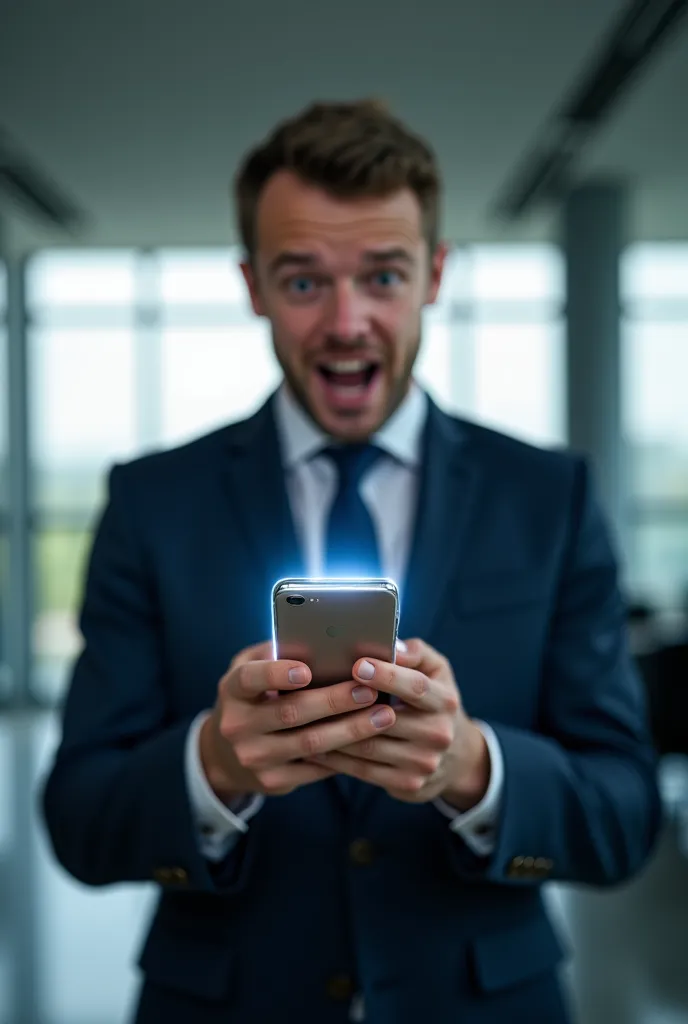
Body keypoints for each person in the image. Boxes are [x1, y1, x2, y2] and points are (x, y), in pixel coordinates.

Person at [41, 99, 661, 1024]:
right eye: (302, 282)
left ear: (435, 275)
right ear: (252, 284)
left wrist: (471, 767)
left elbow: (624, 814)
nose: (346, 322)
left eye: (382, 275)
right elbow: (81, 821)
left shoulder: (550, 500)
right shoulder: (151, 502)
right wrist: (213, 766)